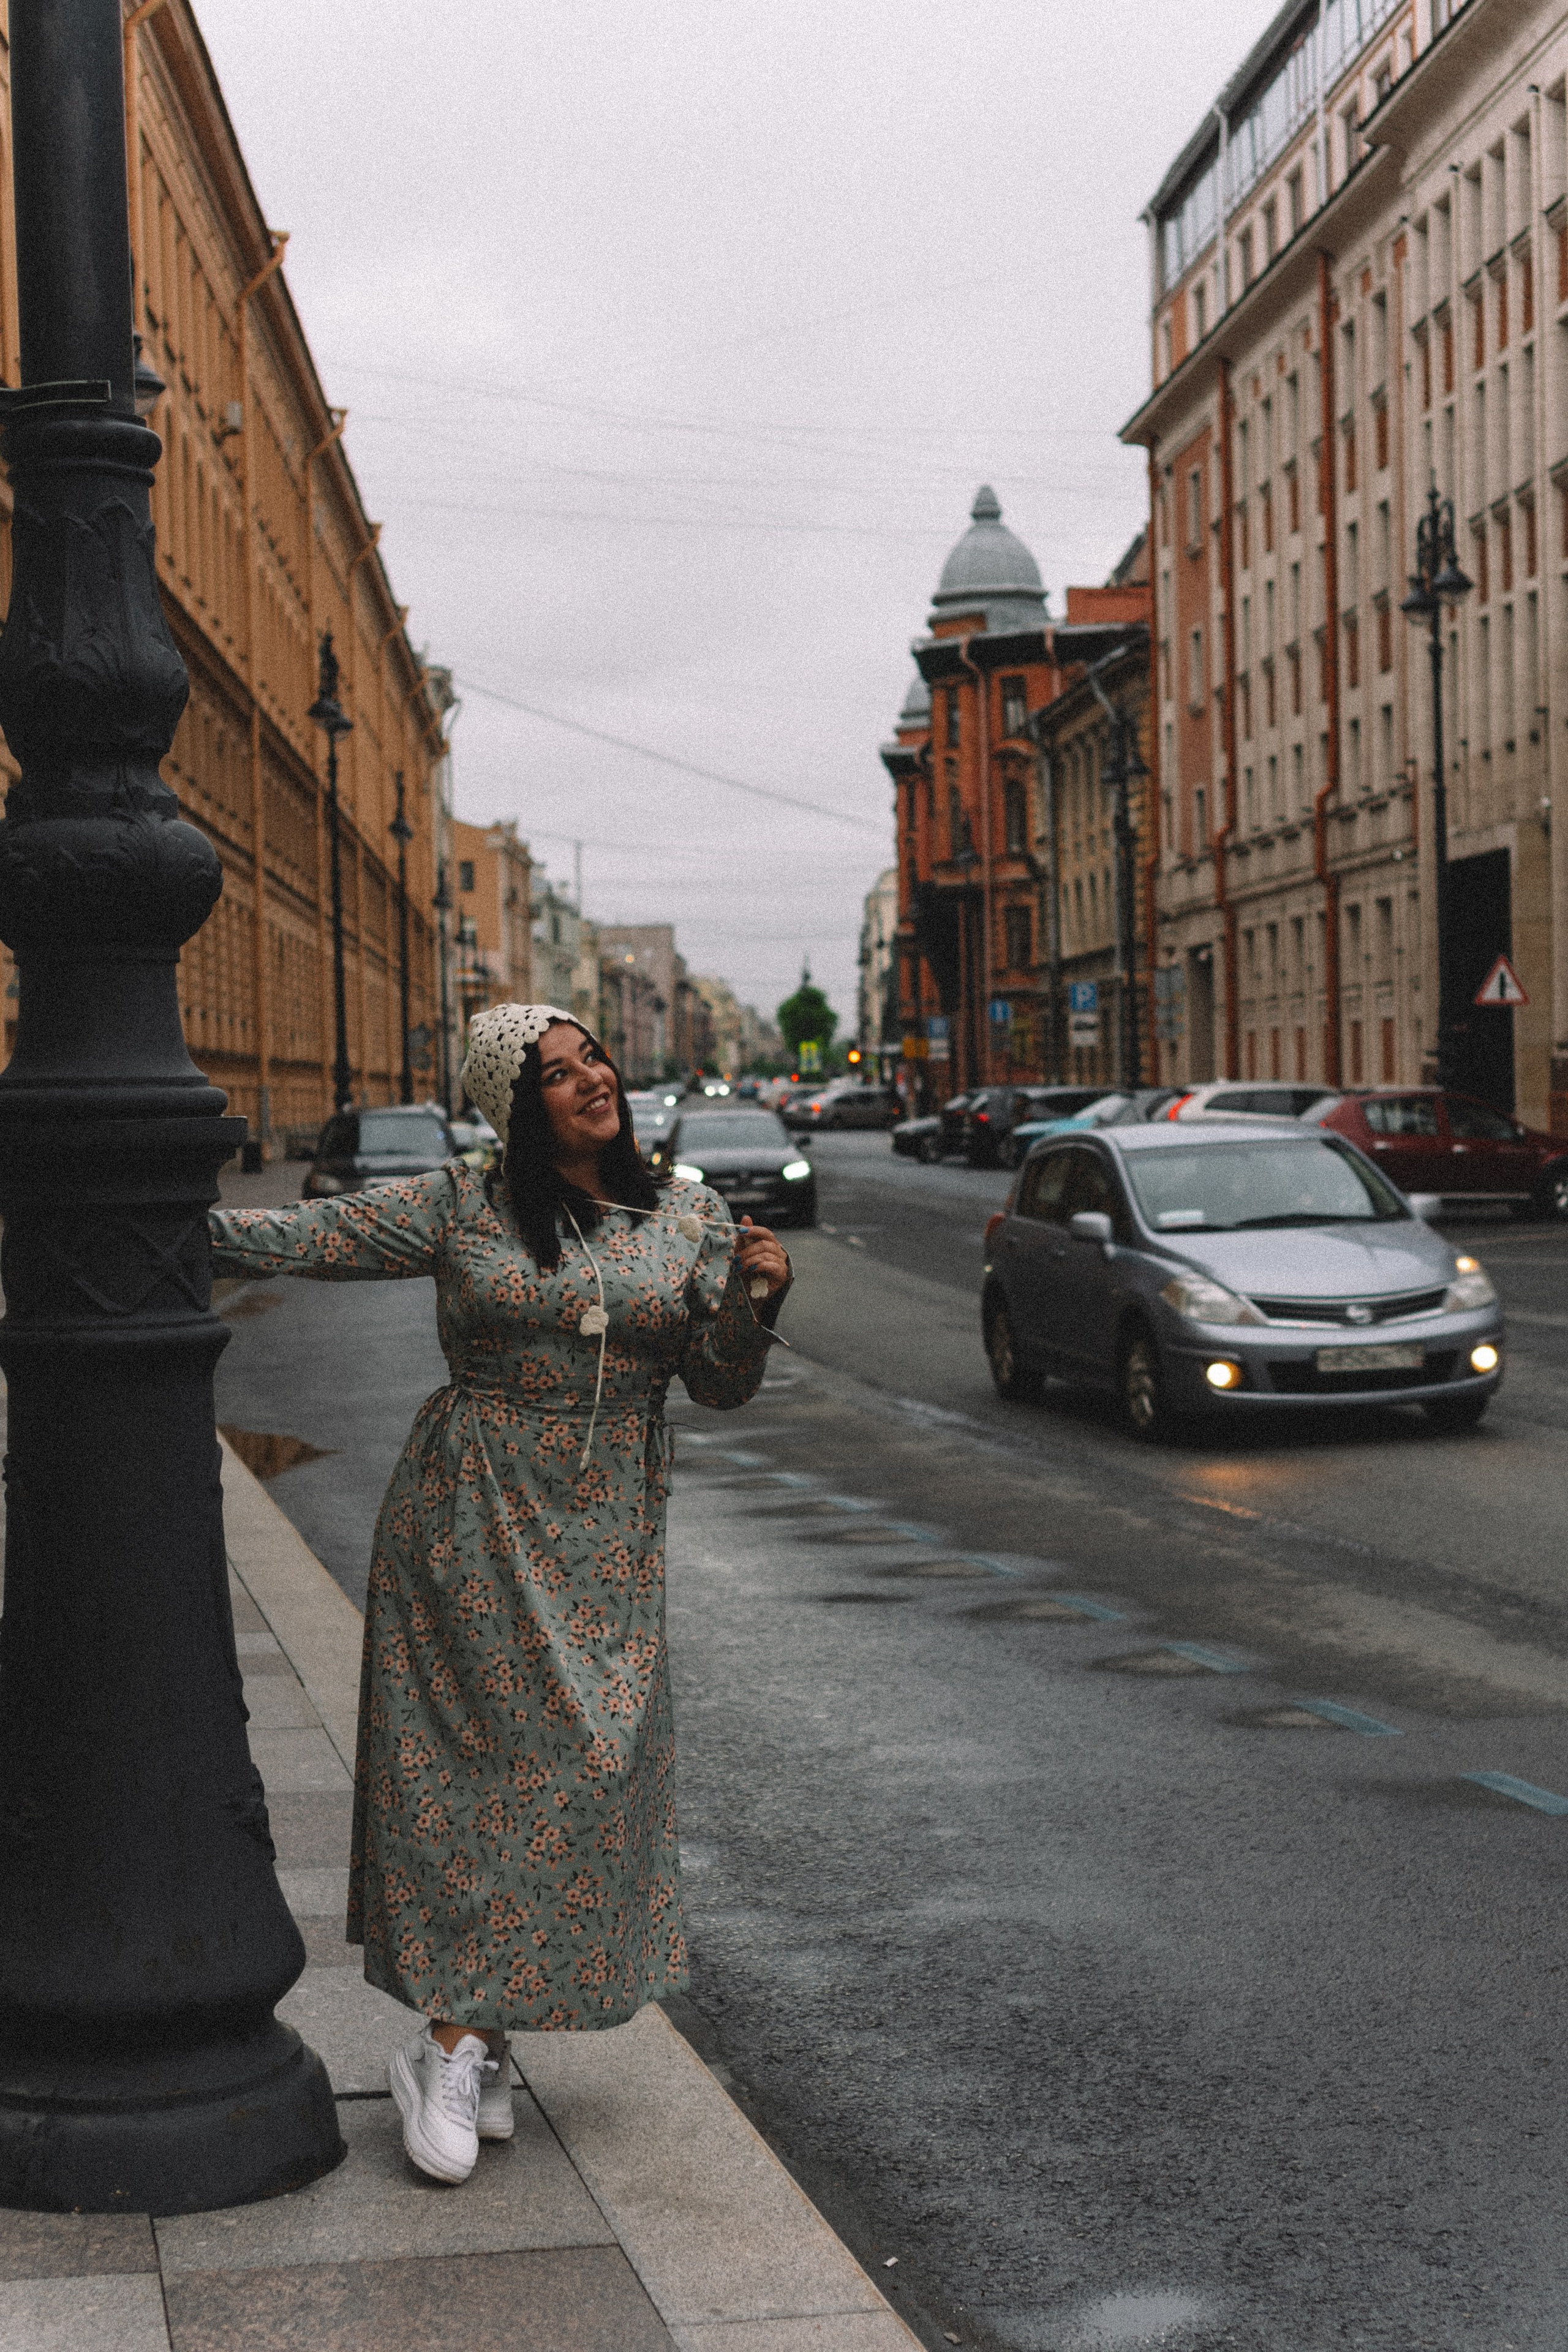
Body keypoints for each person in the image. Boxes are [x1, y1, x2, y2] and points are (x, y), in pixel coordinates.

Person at [209, 1003, 791, 2184]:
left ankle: (482, 2033)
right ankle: (453, 2040)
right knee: (472, 1779)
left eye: (594, 1059)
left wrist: (759, 1300)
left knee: (582, 1769)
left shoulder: (687, 1218)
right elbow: (310, 1235)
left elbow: (721, 1383)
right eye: (557, 1075)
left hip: (609, 1538)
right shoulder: (464, 1206)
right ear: (517, 1112)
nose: (591, 1080)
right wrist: (143, 1214)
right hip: (468, 1517)